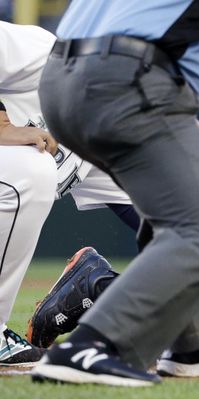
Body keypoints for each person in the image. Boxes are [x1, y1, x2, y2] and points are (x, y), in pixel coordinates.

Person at [31, 0, 199, 387]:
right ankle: (90, 345)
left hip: (60, 79)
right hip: (125, 77)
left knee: (176, 213)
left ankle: (198, 344)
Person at [0, 21, 131, 367]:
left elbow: (172, 229)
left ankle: (90, 285)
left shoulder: (98, 136)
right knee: (30, 171)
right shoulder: (44, 53)